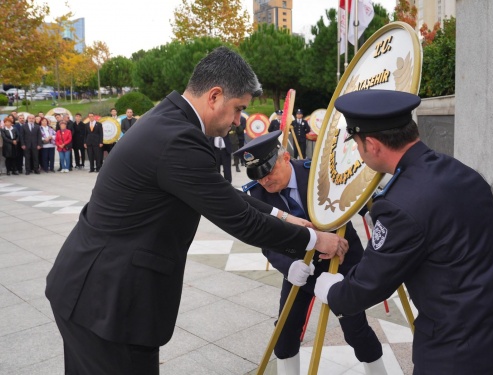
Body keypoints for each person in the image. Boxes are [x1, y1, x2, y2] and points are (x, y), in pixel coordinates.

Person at [45, 46, 348, 375]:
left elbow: (220, 194)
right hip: (107, 302)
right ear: (215, 95)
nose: (237, 122)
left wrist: (284, 216)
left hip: (93, 289)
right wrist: (314, 239)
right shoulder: (177, 139)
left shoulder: (171, 122)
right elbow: (241, 221)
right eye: (237, 109)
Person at [314, 90, 493, 375]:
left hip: (464, 354)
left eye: (357, 144)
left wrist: (333, 291)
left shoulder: (399, 205)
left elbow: (370, 283)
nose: (359, 152)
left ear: (371, 144)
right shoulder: (462, 172)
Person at [236, 131, 386, 375]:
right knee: (285, 329)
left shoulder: (317, 173)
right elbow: (264, 237)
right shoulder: (257, 193)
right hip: (299, 266)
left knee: (354, 327)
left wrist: (375, 212)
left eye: (269, 171)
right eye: (257, 175)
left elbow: (353, 194)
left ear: (285, 158)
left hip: (340, 259)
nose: (264, 181)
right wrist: (288, 266)